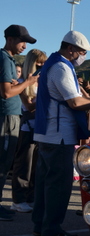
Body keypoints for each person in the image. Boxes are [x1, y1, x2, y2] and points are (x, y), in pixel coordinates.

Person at [32, 30, 90, 236]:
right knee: (58, 184)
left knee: (45, 182)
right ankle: (51, 227)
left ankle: (41, 224)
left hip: (48, 133)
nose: (83, 56)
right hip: (58, 135)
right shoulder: (61, 68)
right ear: (71, 49)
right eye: (82, 51)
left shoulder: (54, 64)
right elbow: (75, 102)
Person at [0, 24, 38, 221]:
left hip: (12, 116)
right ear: (11, 39)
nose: (24, 45)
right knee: (3, 161)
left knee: (6, 162)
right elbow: (6, 93)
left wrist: (20, 83)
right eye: (23, 41)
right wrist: (27, 83)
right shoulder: (5, 59)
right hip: (7, 117)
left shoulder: (8, 59)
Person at [10, 49, 47, 213]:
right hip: (26, 127)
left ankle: (31, 196)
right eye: (39, 63)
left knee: (36, 166)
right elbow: (29, 106)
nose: (42, 66)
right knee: (24, 163)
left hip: (40, 127)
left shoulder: (41, 82)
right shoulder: (22, 82)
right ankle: (18, 199)